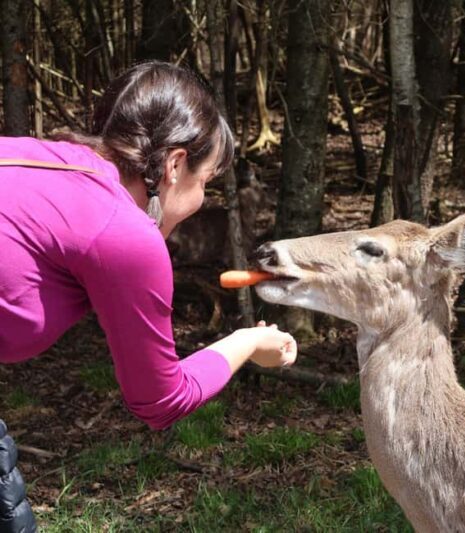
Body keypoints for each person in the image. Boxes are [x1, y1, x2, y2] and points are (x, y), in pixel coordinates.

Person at [0, 61, 297, 532]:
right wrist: (246, 343)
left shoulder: (41, 157)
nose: (202, 198)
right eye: (206, 182)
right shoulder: (127, 234)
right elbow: (161, 399)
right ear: (175, 165)